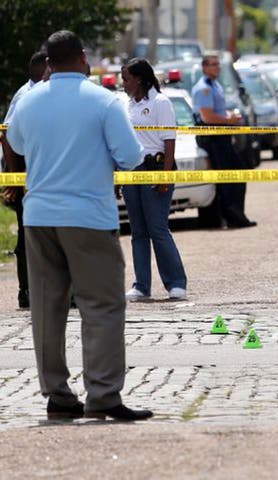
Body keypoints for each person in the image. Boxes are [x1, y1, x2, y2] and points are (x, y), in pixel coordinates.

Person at [6, 30, 152, 421]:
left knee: (46, 308)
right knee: (101, 306)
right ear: (84, 58)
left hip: (39, 218)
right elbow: (130, 157)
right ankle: (103, 394)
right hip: (88, 217)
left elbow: (17, 146)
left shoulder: (27, 100)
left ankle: (57, 394)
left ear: (49, 62)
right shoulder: (104, 102)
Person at [121, 58, 187, 302]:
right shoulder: (127, 105)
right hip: (132, 170)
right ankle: (141, 285)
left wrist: (166, 175)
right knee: (138, 231)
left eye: (126, 79)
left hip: (156, 166)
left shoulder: (161, 102)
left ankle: (176, 282)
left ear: (139, 79)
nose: (124, 84)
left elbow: (169, 141)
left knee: (157, 228)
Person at [0, 50, 49, 309]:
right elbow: (6, 136)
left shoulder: (40, 93)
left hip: (41, 173)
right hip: (28, 175)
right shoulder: (26, 96)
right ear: (45, 71)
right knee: (28, 236)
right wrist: (14, 177)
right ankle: (27, 291)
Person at [191, 51, 256, 228]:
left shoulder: (215, 85)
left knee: (234, 175)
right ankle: (233, 217)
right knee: (230, 177)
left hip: (221, 136)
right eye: (213, 64)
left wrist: (229, 116)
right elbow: (207, 117)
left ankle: (235, 216)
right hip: (213, 138)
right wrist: (229, 120)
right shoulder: (204, 87)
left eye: (218, 64)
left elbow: (216, 112)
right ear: (204, 67)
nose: (217, 67)